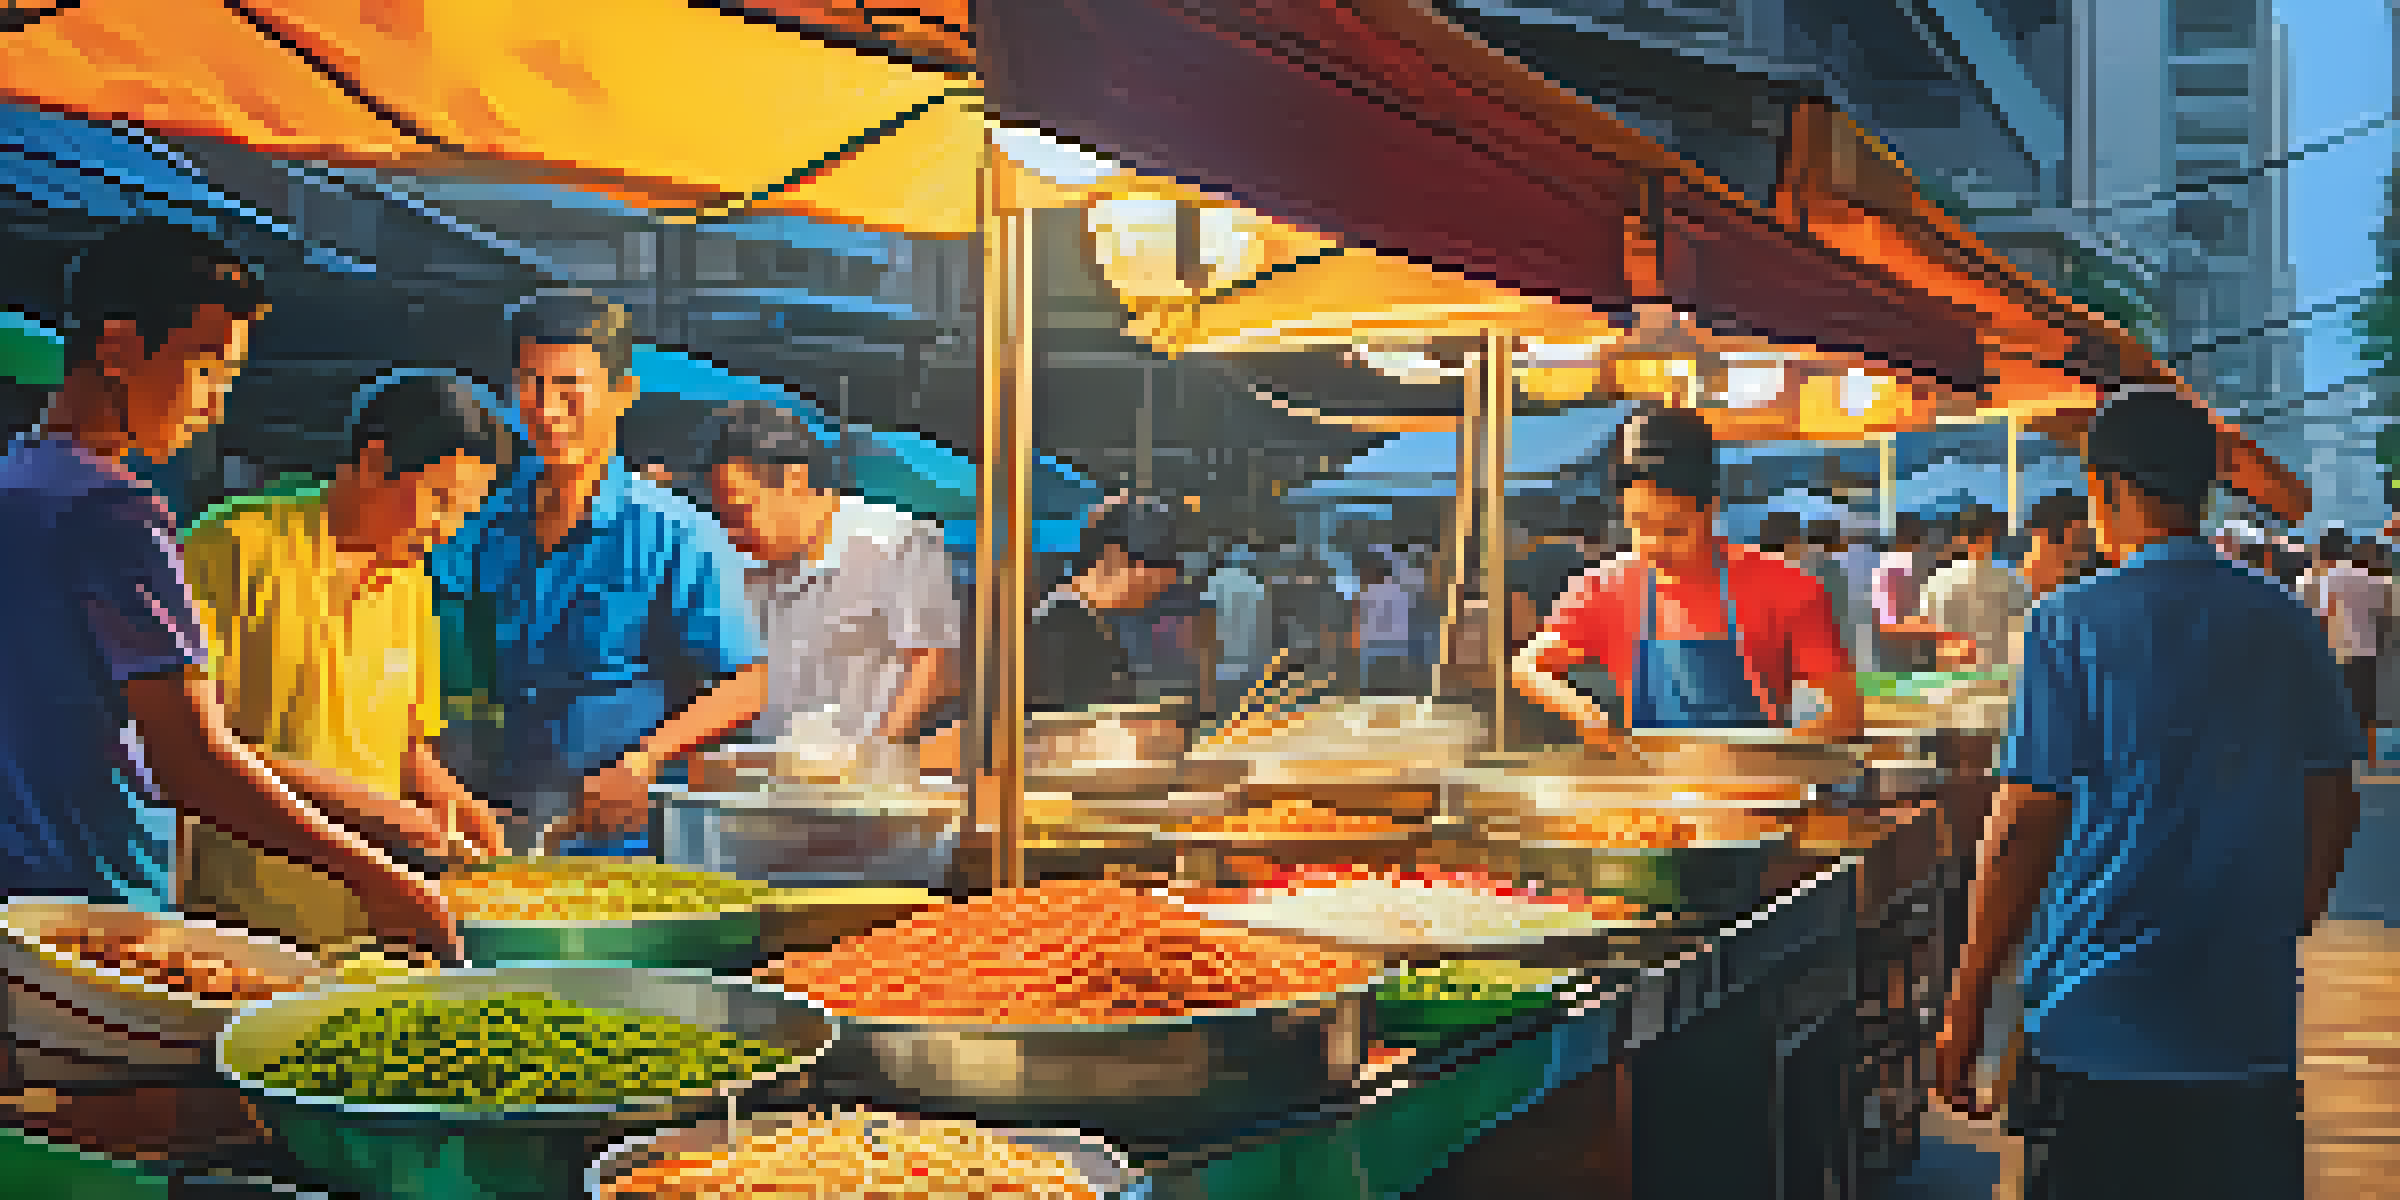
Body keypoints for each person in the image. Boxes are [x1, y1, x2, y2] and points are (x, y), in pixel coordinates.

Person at [1931, 384, 2360, 1200]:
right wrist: (2289, 914)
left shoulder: (2069, 622)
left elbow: (2026, 823)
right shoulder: (2283, 619)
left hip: (2095, 1029)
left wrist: (1969, 998)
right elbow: (2335, 797)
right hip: (2245, 1027)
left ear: (2110, 489)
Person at [0, 223, 455, 956]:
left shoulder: (18, 484)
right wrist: (374, 875)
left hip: (19, 905)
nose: (215, 406)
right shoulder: (119, 515)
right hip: (101, 923)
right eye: (207, 370)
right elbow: (193, 759)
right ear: (116, 349)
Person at [178, 371, 513, 950]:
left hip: (369, 921)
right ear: (377, 461)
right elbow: (195, 749)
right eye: (439, 500)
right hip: (242, 922)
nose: (448, 528)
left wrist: (457, 804)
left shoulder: (411, 583)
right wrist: (372, 810)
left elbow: (409, 750)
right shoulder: (232, 545)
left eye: (465, 512)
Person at [429, 291, 767, 855]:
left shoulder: (676, 535)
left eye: (569, 388)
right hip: (490, 828)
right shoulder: (475, 523)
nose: (547, 409)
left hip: (627, 839)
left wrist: (643, 762)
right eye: (530, 385)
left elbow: (742, 685)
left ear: (622, 393)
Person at [1512, 405, 1861, 749]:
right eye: (1638, 525)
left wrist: (1764, 758)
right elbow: (1528, 666)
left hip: (1756, 793)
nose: (1653, 545)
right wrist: (1582, 711)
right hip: (1652, 793)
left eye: (1673, 529)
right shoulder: (1603, 587)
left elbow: (1844, 714)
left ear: (1709, 510)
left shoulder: (1785, 585)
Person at [701, 400, 960, 761]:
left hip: (858, 781)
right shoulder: (731, 565)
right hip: (759, 777)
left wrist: (877, 752)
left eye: (741, 512)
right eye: (722, 517)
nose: (731, 532)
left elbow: (935, 663)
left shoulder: (897, 540)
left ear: (794, 480)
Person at [1027, 497, 1187, 712]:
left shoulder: (1079, 618)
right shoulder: (1067, 626)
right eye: (1151, 584)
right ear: (1115, 560)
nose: (1153, 597)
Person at [1909, 504, 2030, 671]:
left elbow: (1925, 627)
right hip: (1998, 667)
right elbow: (2022, 625)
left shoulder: (1939, 580)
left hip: (1955, 667)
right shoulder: (2008, 579)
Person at [2308, 529, 2386, 757]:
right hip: (2366, 652)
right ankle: (2367, 757)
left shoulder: (2321, 579)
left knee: (2335, 706)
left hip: (2334, 651)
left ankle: (2336, 756)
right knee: (2364, 707)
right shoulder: (2368, 577)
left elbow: (2320, 616)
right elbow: (2381, 615)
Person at [1204, 543, 1272, 704]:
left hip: (1228, 657)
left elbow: (1208, 614)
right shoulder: (1254, 584)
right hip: (1244, 656)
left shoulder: (1218, 580)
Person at [1355, 556, 1415, 694]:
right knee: (1395, 685)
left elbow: (1366, 620)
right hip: (1396, 643)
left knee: (1373, 687)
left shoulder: (1369, 592)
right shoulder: (1399, 591)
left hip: (1377, 643)